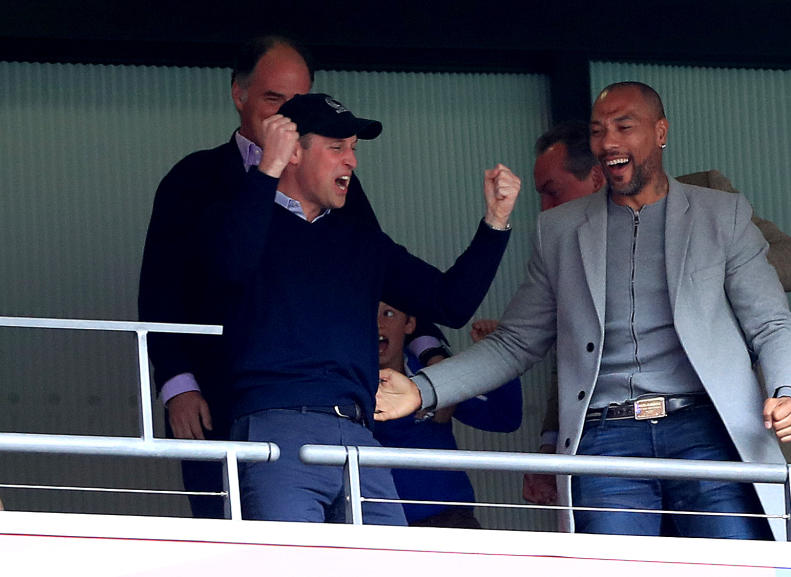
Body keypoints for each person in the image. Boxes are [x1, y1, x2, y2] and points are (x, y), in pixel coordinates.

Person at [376, 81, 791, 541]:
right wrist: (424, 389)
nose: (608, 142)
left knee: (732, 567)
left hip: (706, 430)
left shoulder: (720, 214)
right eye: (598, 131)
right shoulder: (560, 229)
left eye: (624, 127)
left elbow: (771, 322)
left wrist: (790, 391)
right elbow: (514, 342)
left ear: (661, 132)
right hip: (607, 439)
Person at [138, 35, 446, 518]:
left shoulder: (339, 181)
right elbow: (160, 288)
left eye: (297, 101)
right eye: (272, 100)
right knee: (237, 541)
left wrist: (426, 345)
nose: (286, 116)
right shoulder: (194, 177)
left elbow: (377, 270)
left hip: (324, 402)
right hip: (215, 392)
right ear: (239, 95)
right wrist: (178, 382)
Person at [204, 92, 518, 524]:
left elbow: (451, 302)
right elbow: (229, 267)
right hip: (276, 429)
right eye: (336, 148)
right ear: (293, 151)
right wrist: (267, 170)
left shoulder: (361, 239)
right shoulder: (239, 213)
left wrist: (496, 222)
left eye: (353, 148)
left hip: (360, 435)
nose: (351, 161)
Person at [521, 122, 791, 506]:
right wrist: (550, 442)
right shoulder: (567, 237)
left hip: (724, 425)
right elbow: (577, 354)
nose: (545, 207)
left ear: (596, 175)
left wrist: (701, 265)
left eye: (552, 191)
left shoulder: (705, 196)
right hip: (614, 437)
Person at [373, 302, 522, 528]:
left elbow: (504, 417)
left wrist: (498, 355)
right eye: (368, 314)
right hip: (377, 525)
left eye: (389, 313)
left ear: (409, 323)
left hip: (449, 519)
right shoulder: (345, 384)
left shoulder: (435, 377)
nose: (378, 324)